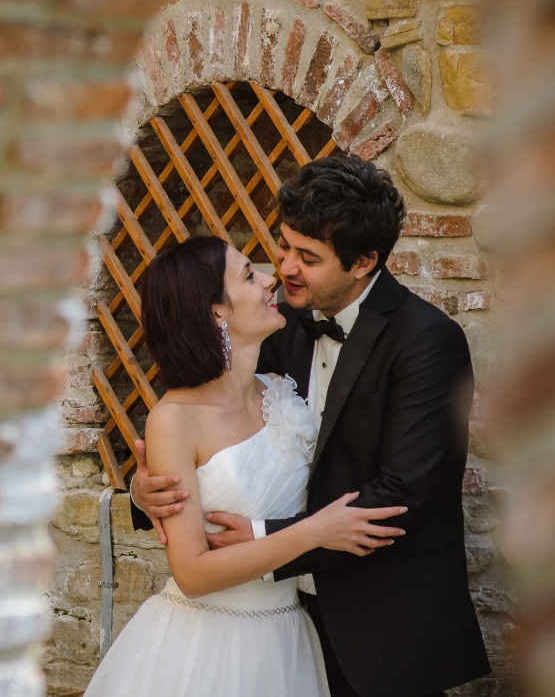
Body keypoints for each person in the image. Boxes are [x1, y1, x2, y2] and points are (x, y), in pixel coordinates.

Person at [130, 154, 491, 697]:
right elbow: (211, 434)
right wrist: (144, 492)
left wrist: (261, 536)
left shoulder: (426, 343)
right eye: (283, 245)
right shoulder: (278, 323)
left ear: (364, 260)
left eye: (308, 256)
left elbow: (401, 495)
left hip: (377, 628)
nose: (283, 268)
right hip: (273, 633)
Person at [83, 234, 408, 697]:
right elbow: (191, 573)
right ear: (217, 312)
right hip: (204, 648)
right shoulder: (173, 419)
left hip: (286, 638)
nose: (271, 277)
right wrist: (314, 531)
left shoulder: (281, 387)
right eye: (248, 275)